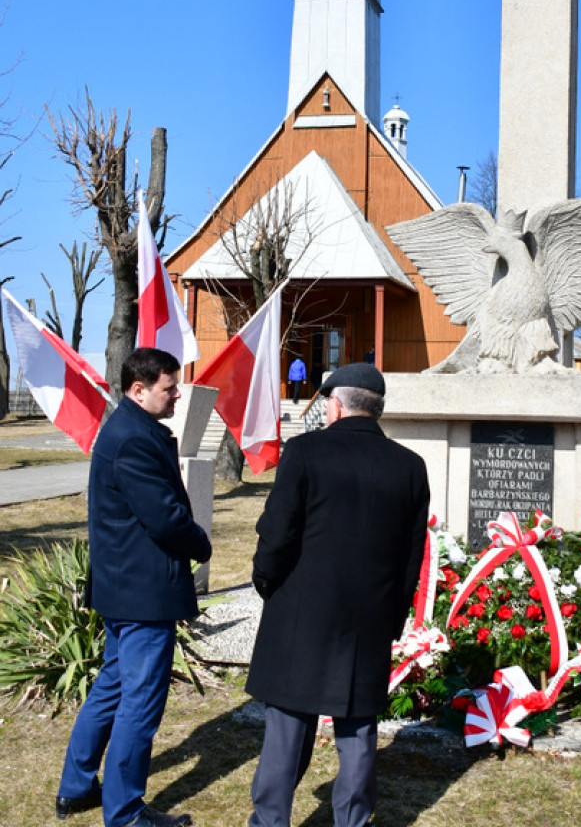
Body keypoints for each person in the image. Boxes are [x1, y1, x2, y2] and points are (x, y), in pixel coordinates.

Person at [245, 362, 429, 827]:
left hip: (300, 610)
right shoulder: (410, 466)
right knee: (358, 727)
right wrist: (394, 616)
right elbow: (413, 555)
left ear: (335, 404)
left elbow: (277, 532)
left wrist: (266, 581)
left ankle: (270, 820)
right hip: (368, 615)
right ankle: (353, 819)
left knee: (287, 722)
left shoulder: (305, 452)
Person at [56, 348, 212, 827]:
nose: (177, 393)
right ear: (138, 388)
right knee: (138, 703)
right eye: (169, 386)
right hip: (143, 592)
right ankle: (124, 813)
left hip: (128, 588)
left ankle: (78, 787)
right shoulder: (133, 439)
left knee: (112, 687)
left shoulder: (133, 429)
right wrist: (201, 544)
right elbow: (165, 518)